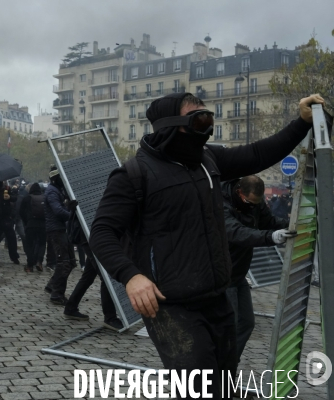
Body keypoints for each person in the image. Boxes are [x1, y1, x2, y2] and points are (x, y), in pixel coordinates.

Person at [89, 92, 324, 398]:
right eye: (199, 120)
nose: (207, 127)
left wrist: (301, 123)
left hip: (217, 297)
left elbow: (257, 154)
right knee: (199, 391)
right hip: (172, 307)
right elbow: (102, 232)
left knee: (223, 387)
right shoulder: (133, 175)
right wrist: (131, 276)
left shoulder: (208, 160)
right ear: (171, 125)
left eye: (208, 119)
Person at [222, 175, 291, 362]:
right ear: (239, 192)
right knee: (230, 326)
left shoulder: (255, 204)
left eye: (256, 203)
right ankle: (218, 374)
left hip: (238, 274)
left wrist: (290, 226)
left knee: (246, 323)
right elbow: (237, 232)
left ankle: (228, 368)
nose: (253, 206)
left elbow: (268, 222)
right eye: (249, 202)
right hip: (221, 275)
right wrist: (271, 237)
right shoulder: (221, 203)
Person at [44, 167, 78, 305]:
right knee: (64, 262)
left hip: (61, 229)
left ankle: (52, 286)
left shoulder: (56, 190)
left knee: (70, 262)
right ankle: (57, 294)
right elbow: (58, 211)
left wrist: (69, 207)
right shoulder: (52, 192)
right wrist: (72, 215)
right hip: (56, 230)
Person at [0, 180, 20, 265]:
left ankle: (14, 257)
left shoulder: (7, 189)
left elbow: (15, 198)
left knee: (11, 238)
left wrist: (9, 197)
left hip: (6, 217)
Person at [19, 182, 46, 272]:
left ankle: (30, 265)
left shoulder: (27, 198)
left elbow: (21, 212)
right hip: (43, 225)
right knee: (42, 244)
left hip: (31, 224)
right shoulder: (44, 198)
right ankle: (39, 261)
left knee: (29, 245)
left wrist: (26, 222)